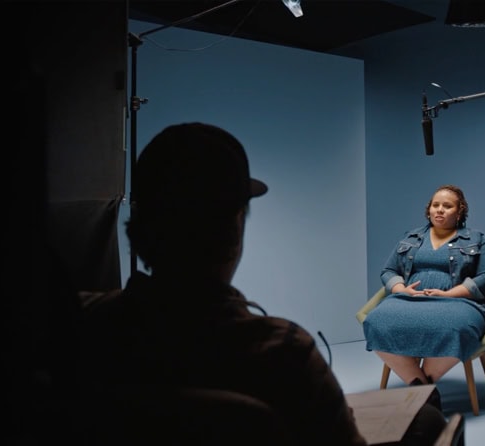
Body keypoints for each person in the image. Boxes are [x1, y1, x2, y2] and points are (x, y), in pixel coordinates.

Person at [76, 122, 446, 445]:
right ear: (235, 223)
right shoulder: (284, 353)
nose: (439, 211)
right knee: (427, 421)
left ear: (139, 221)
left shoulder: (80, 323)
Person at [362, 184, 485, 408]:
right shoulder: (411, 237)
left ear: (460, 211)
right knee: (376, 322)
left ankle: (421, 392)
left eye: (447, 206)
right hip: (410, 299)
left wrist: (450, 294)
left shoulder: (477, 240)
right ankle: (423, 390)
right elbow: (388, 271)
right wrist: (401, 289)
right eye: (436, 205)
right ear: (429, 209)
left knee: (455, 328)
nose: (440, 210)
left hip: (459, 302)